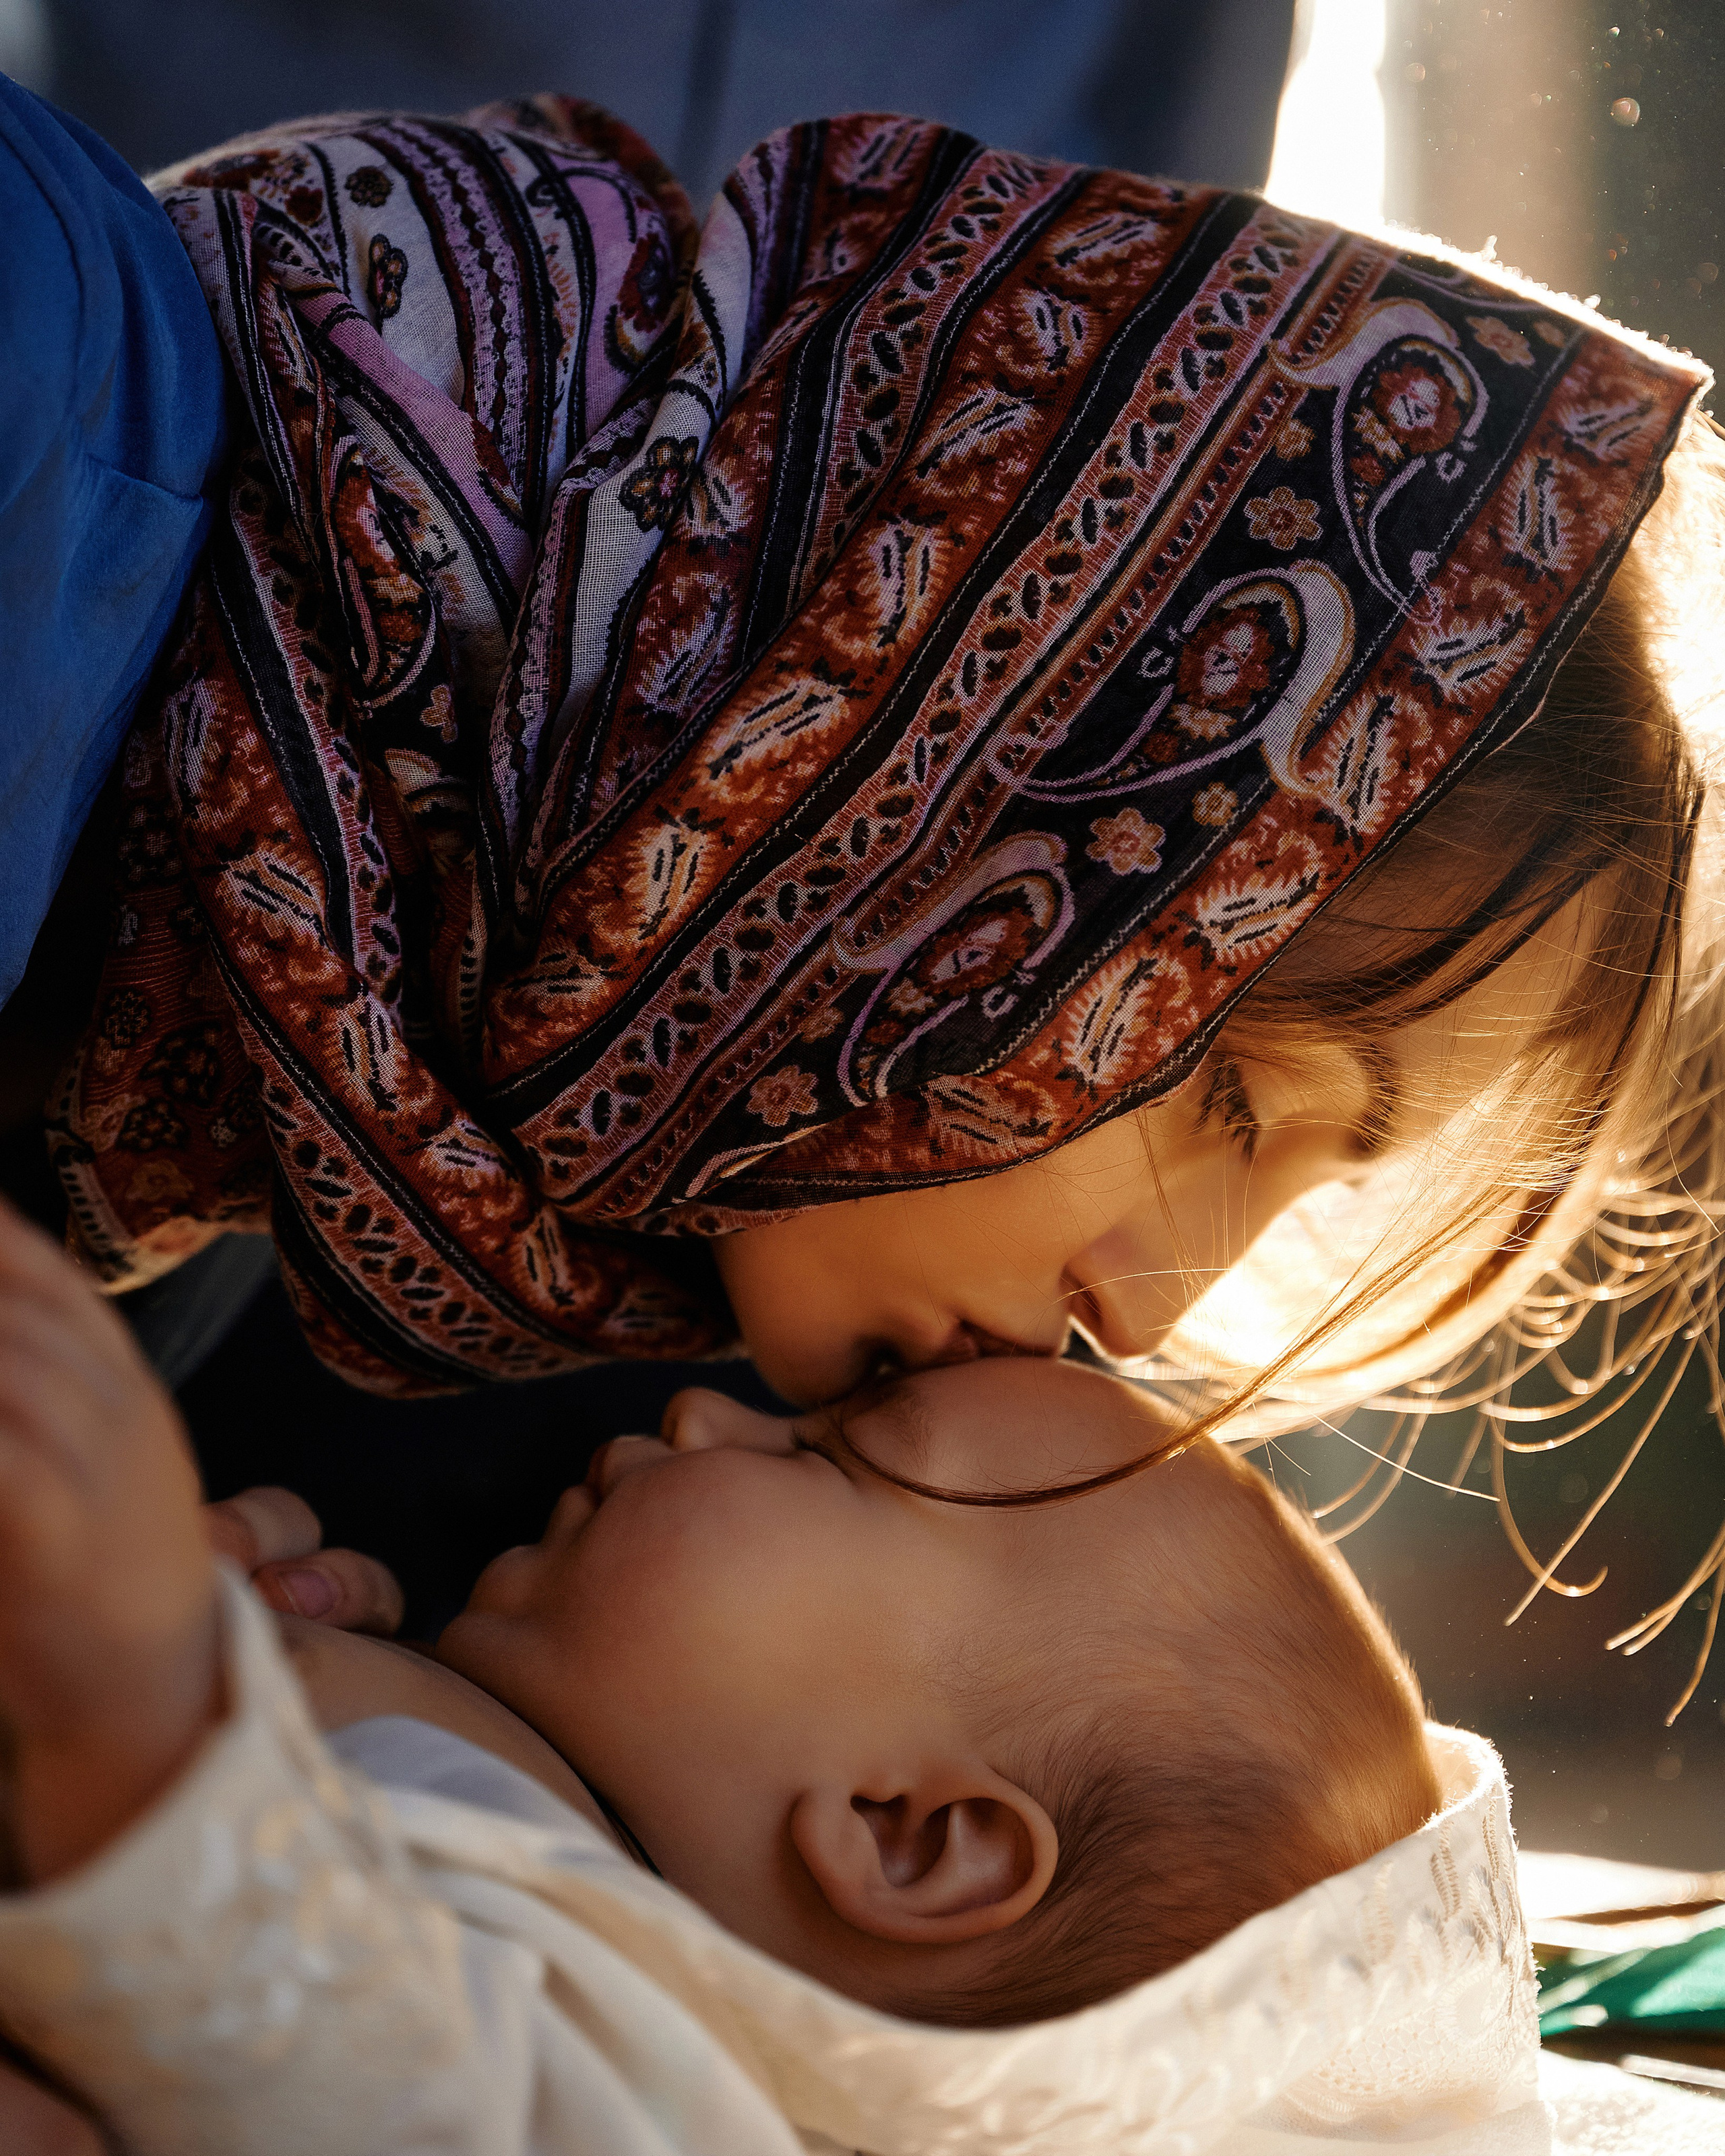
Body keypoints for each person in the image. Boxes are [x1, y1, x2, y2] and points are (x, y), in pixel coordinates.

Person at [26, 94, 1716, 1463]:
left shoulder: (198, 1154)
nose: (1145, 1321)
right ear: (1012, 742)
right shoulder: (34, 394)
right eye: (1227, 1099)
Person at [0, 1195, 1525, 2150]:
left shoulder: (665, 2097)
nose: (700, 1416)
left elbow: (384, 2096)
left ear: (904, 1833)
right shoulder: (568, 1861)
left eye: (825, 1460)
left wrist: (140, 1711)